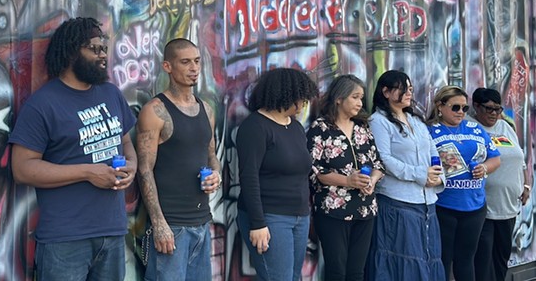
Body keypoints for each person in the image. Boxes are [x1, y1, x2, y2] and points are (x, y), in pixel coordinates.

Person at [9, 17, 137, 281]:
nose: (103, 55)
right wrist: (88, 173)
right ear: (70, 53)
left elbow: (126, 143)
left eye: (104, 48)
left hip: (113, 233)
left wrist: (132, 166)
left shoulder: (112, 94)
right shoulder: (43, 104)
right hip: (65, 240)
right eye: (94, 48)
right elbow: (22, 169)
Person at [136, 38, 221, 281]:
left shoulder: (206, 109)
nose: (194, 68)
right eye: (185, 62)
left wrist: (216, 175)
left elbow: (211, 155)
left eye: (196, 61)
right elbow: (144, 170)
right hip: (171, 227)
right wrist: (159, 224)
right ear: (167, 67)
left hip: (202, 223)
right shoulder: (155, 111)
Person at [235, 68, 318, 281]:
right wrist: (258, 223)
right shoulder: (255, 126)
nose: (304, 103)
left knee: (293, 277)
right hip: (270, 217)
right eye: (301, 97)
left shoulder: (296, 127)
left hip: (299, 216)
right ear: (286, 94)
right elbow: (249, 177)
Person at [366, 70, 445, 281]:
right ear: (386, 91)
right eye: (403, 88)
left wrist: (438, 175)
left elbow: (433, 152)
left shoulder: (415, 121)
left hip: (427, 202)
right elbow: (384, 159)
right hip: (398, 202)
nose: (409, 92)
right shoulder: (378, 121)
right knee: (401, 261)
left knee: (428, 258)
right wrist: (420, 174)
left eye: (410, 88)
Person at [307, 74, 384, 281]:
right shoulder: (321, 128)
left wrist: (372, 181)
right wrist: (348, 181)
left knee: (357, 272)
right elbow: (315, 170)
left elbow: (378, 164)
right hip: (333, 210)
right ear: (339, 98)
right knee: (337, 271)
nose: (360, 103)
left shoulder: (363, 128)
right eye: (355, 97)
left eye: (361, 98)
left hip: (365, 209)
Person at [426, 85, 501, 281]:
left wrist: (484, 168)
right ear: (440, 106)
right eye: (455, 107)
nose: (461, 112)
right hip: (444, 205)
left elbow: (495, 158)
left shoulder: (475, 128)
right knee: (442, 259)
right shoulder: (429, 130)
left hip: (474, 205)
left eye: (464, 108)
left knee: (466, 260)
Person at [469, 88, 530, 281]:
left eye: (498, 109)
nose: (494, 114)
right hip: (483, 207)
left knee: (501, 258)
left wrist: (526, 186)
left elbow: (520, 160)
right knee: (483, 261)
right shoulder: (470, 127)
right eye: (489, 109)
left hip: (509, 207)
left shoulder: (505, 127)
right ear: (476, 106)